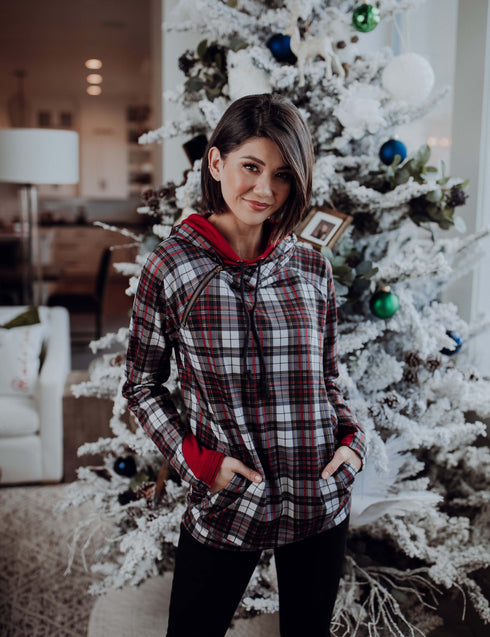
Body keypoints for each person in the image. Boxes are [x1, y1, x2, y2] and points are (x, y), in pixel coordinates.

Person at [123, 93, 366, 637]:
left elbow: (329, 375)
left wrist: (351, 443)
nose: (265, 190)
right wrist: (200, 464)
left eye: (283, 175)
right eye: (250, 168)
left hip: (319, 498)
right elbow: (141, 385)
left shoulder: (310, 265)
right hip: (228, 501)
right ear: (216, 163)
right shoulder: (171, 268)